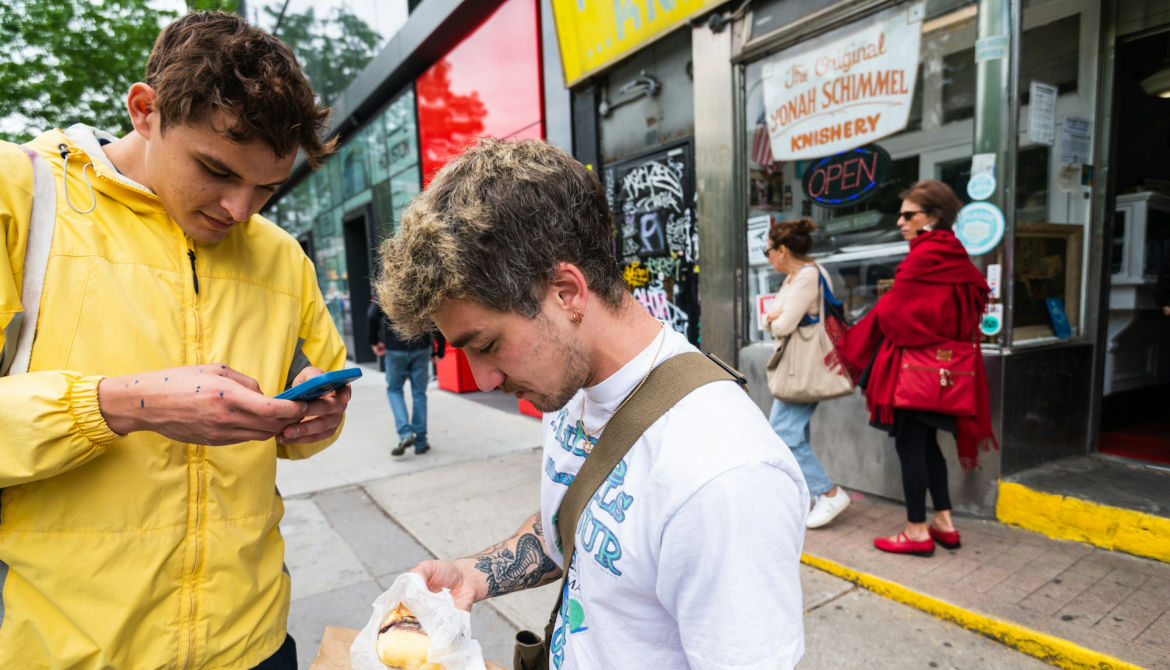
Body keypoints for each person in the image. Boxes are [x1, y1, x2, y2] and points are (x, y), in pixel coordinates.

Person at [0, 12, 351, 669]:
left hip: (255, 645)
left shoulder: (281, 257)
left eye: (267, 188)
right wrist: (122, 404)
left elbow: (315, 408)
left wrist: (313, 419)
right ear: (144, 110)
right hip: (71, 651)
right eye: (216, 170)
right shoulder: (20, 195)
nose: (240, 210)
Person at [375, 139, 809, 668]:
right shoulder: (568, 381)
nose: (484, 380)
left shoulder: (723, 477)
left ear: (567, 293)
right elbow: (583, 525)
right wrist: (471, 576)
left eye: (486, 345)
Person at [838, 180, 996, 557]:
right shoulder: (957, 255)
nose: (901, 222)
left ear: (934, 218)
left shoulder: (924, 255)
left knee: (911, 448)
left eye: (909, 215)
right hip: (944, 373)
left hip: (912, 371)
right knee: (928, 447)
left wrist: (864, 328)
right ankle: (944, 521)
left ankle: (915, 531)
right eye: (901, 214)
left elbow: (894, 315)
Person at [764, 217, 851, 529]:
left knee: (783, 436)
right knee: (794, 433)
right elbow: (773, 319)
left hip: (804, 368)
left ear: (783, 250)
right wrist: (774, 319)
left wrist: (773, 320)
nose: (768, 256)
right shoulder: (794, 278)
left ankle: (829, 492)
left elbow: (781, 324)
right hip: (795, 368)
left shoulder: (807, 276)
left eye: (769, 251)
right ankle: (811, 495)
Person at [367, 299, 446, 455]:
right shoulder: (422, 277)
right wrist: (440, 348)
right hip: (421, 347)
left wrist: (374, 341)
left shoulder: (386, 282)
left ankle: (405, 433)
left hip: (395, 348)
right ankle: (421, 441)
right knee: (419, 394)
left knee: (394, 390)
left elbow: (371, 315)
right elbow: (435, 314)